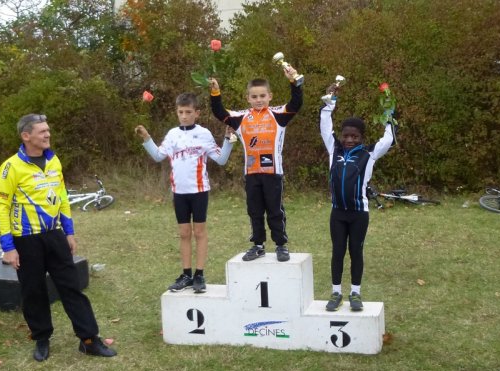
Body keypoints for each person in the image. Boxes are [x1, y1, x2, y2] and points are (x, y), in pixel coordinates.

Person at [0, 114, 116, 361]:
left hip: (54, 236)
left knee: (71, 288)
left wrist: (69, 232)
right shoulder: (11, 167)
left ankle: (89, 339)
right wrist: (8, 247)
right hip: (26, 240)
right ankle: (41, 338)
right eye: (42, 132)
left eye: (48, 130)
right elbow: (0, 207)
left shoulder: (54, 160)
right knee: (34, 291)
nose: (48, 135)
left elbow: (62, 198)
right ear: (26, 136)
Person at [135, 92, 233, 292]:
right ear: (177, 112)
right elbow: (157, 156)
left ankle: (199, 275)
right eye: (181, 112)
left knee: (199, 232)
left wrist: (228, 140)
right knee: (184, 233)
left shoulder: (204, 134)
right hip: (179, 192)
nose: (184, 116)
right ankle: (186, 274)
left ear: (197, 113)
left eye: (188, 112)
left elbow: (221, 159)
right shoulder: (172, 134)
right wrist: (147, 138)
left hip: (198, 191)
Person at [209, 69, 303, 262]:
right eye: (254, 96)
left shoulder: (278, 115)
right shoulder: (241, 117)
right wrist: (215, 92)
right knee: (254, 210)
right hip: (251, 173)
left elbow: (296, 104)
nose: (259, 99)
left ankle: (281, 245)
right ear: (248, 98)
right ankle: (258, 245)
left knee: (275, 210)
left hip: (273, 172)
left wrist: (294, 82)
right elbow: (219, 112)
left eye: (262, 96)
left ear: (270, 96)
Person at [319, 85, 395, 312]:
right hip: (338, 213)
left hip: (359, 214)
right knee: (337, 251)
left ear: (362, 138)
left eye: (354, 136)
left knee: (356, 251)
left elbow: (388, 139)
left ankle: (355, 293)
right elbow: (325, 124)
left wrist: (389, 114)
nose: (349, 140)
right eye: (346, 136)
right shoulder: (335, 149)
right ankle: (335, 292)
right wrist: (330, 101)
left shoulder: (369, 153)